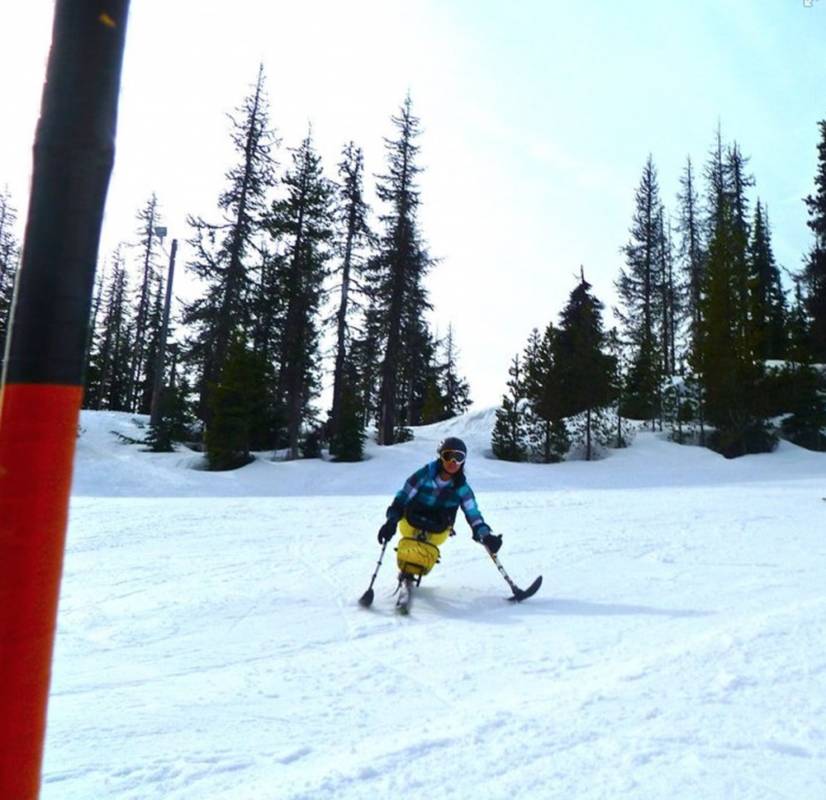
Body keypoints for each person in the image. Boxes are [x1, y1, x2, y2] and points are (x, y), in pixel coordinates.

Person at [377, 437, 502, 585]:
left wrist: (485, 536)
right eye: (448, 456)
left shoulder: (462, 489)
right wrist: (391, 521)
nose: (453, 462)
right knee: (411, 536)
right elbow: (403, 497)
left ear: (463, 461)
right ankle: (406, 570)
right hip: (411, 522)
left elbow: (473, 513)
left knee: (429, 545)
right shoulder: (423, 475)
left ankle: (415, 569)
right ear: (441, 456)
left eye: (459, 457)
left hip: (438, 528)